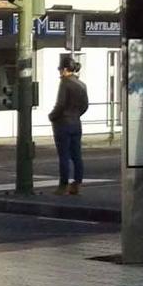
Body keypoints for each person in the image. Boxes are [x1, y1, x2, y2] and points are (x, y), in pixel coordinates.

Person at [48, 55, 89, 195]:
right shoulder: (82, 85)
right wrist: (76, 115)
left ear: (65, 69)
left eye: (60, 69)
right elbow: (85, 105)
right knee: (77, 155)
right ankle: (77, 183)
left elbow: (60, 104)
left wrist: (52, 116)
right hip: (76, 123)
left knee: (64, 156)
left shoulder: (65, 83)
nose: (60, 72)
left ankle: (63, 185)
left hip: (62, 124)